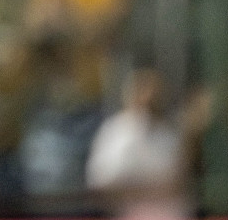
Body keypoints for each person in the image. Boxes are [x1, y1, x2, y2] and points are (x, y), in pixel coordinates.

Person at [85, 67, 209, 220]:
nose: (150, 97)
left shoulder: (168, 134)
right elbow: (102, 182)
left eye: (155, 92)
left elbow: (179, 179)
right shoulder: (114, 132)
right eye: (144, 90)